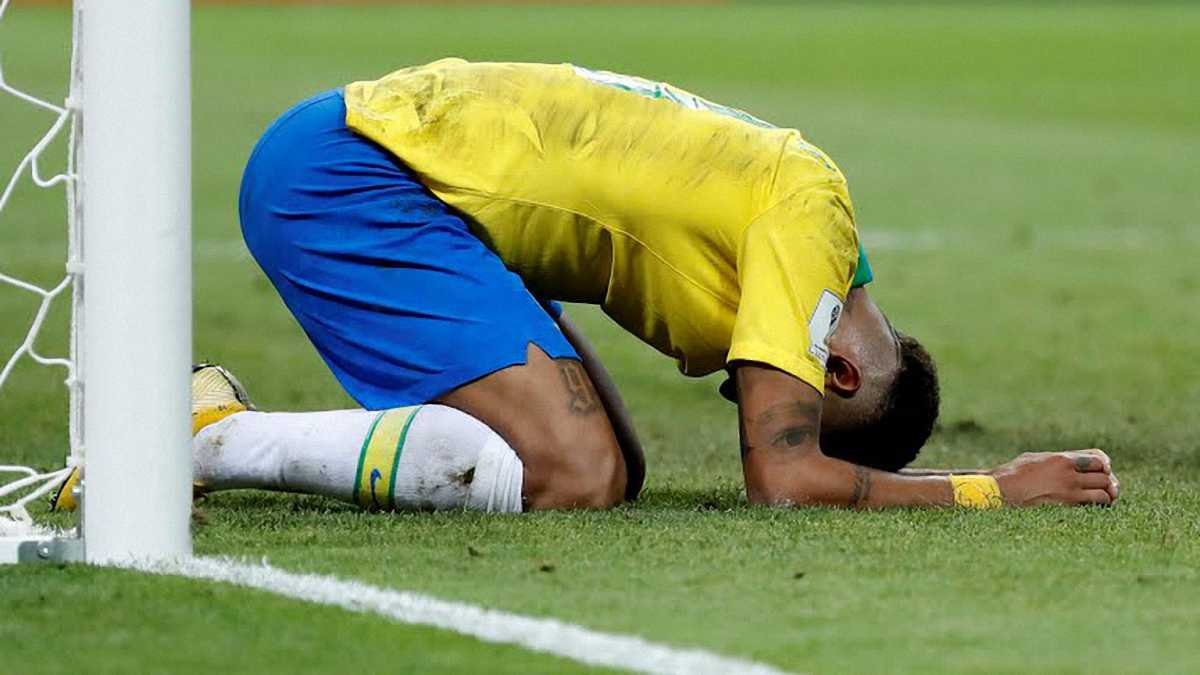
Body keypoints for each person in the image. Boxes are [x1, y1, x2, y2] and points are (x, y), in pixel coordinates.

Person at [54, 59, 1119, 515]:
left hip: (408, 177)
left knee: (619, 470)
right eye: (763, 389)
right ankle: (204, 434)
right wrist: (990, 488)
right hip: (355, 173)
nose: (744, 392)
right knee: (575, 472)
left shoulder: (815, 230)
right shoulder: (809, 230)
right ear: (836, 370)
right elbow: (784, 479)